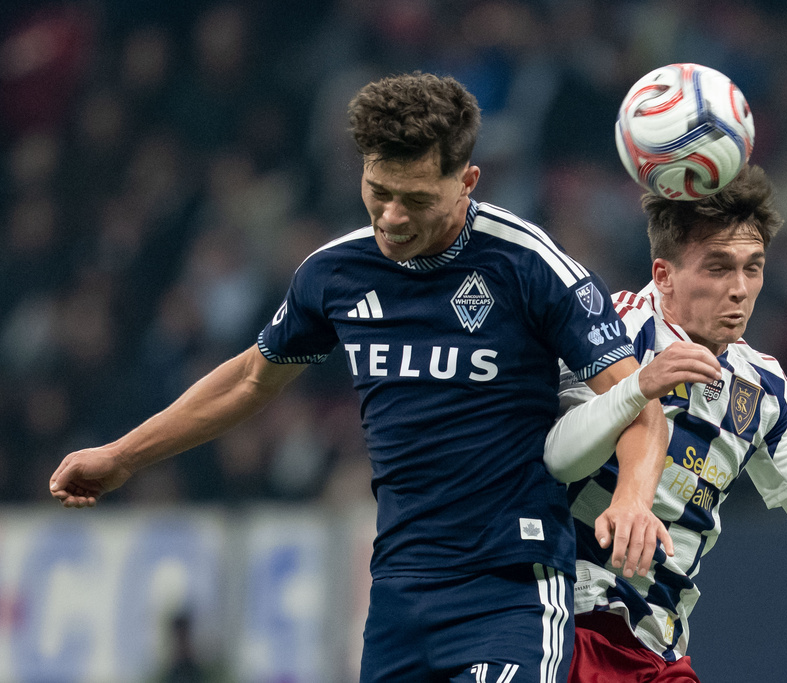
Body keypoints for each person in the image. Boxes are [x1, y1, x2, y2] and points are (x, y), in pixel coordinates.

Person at [48, 72, 674, 682]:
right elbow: (247, 382)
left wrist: (632, 499)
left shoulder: (530, 265)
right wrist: (122, 457)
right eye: (379, 191)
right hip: (399, 596)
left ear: (467, 182)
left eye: (418, 199)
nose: (393, 217)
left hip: (511, 587)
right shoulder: (333, 274)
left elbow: (635, 402)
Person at [541, 165, 787, 682]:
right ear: (663, 274)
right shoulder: (610, 329)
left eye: (752, 268)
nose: (739, 289)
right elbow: (555, 459)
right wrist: (637, 389)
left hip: (657, 644)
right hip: (559, 618)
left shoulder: (765, 391)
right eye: (717, 267)